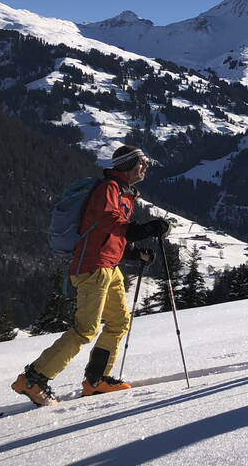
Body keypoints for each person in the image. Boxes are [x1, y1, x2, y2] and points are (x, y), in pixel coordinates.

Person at [11, 145, 171, 406]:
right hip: (93, 268)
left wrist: (133, 253)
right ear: (129, 164)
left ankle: (96, 381)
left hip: (108, 266)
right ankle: (33, 379)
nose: (146, 167)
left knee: (119, 322)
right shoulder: (109, 189)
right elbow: (109, 221)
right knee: (86, 329)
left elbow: (105, 234)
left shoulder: (125, 193)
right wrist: (142, 230)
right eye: (143, 162)